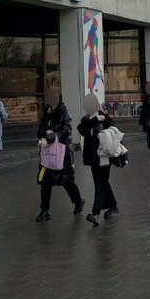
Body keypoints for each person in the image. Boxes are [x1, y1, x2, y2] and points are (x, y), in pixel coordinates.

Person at [36, 89, 84, 222]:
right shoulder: (46, 112)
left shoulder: (64, 113)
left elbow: (66, 131)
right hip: (47, 153)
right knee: (45, 182)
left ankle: (78, 200)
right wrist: (44, 135)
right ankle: (45, 210)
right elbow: (40, 129)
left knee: (66, 181)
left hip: (62, 154)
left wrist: (52, 136)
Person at [77, 93, 120, 227]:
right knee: (101, 182)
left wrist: (100, 118)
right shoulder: (86, 120)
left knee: (100, 183)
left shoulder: (105, 118)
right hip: (93, 158)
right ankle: (113, 206)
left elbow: (115, 134)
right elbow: (82, 130)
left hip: (105, 157)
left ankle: (95, 213)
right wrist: (94, 120)